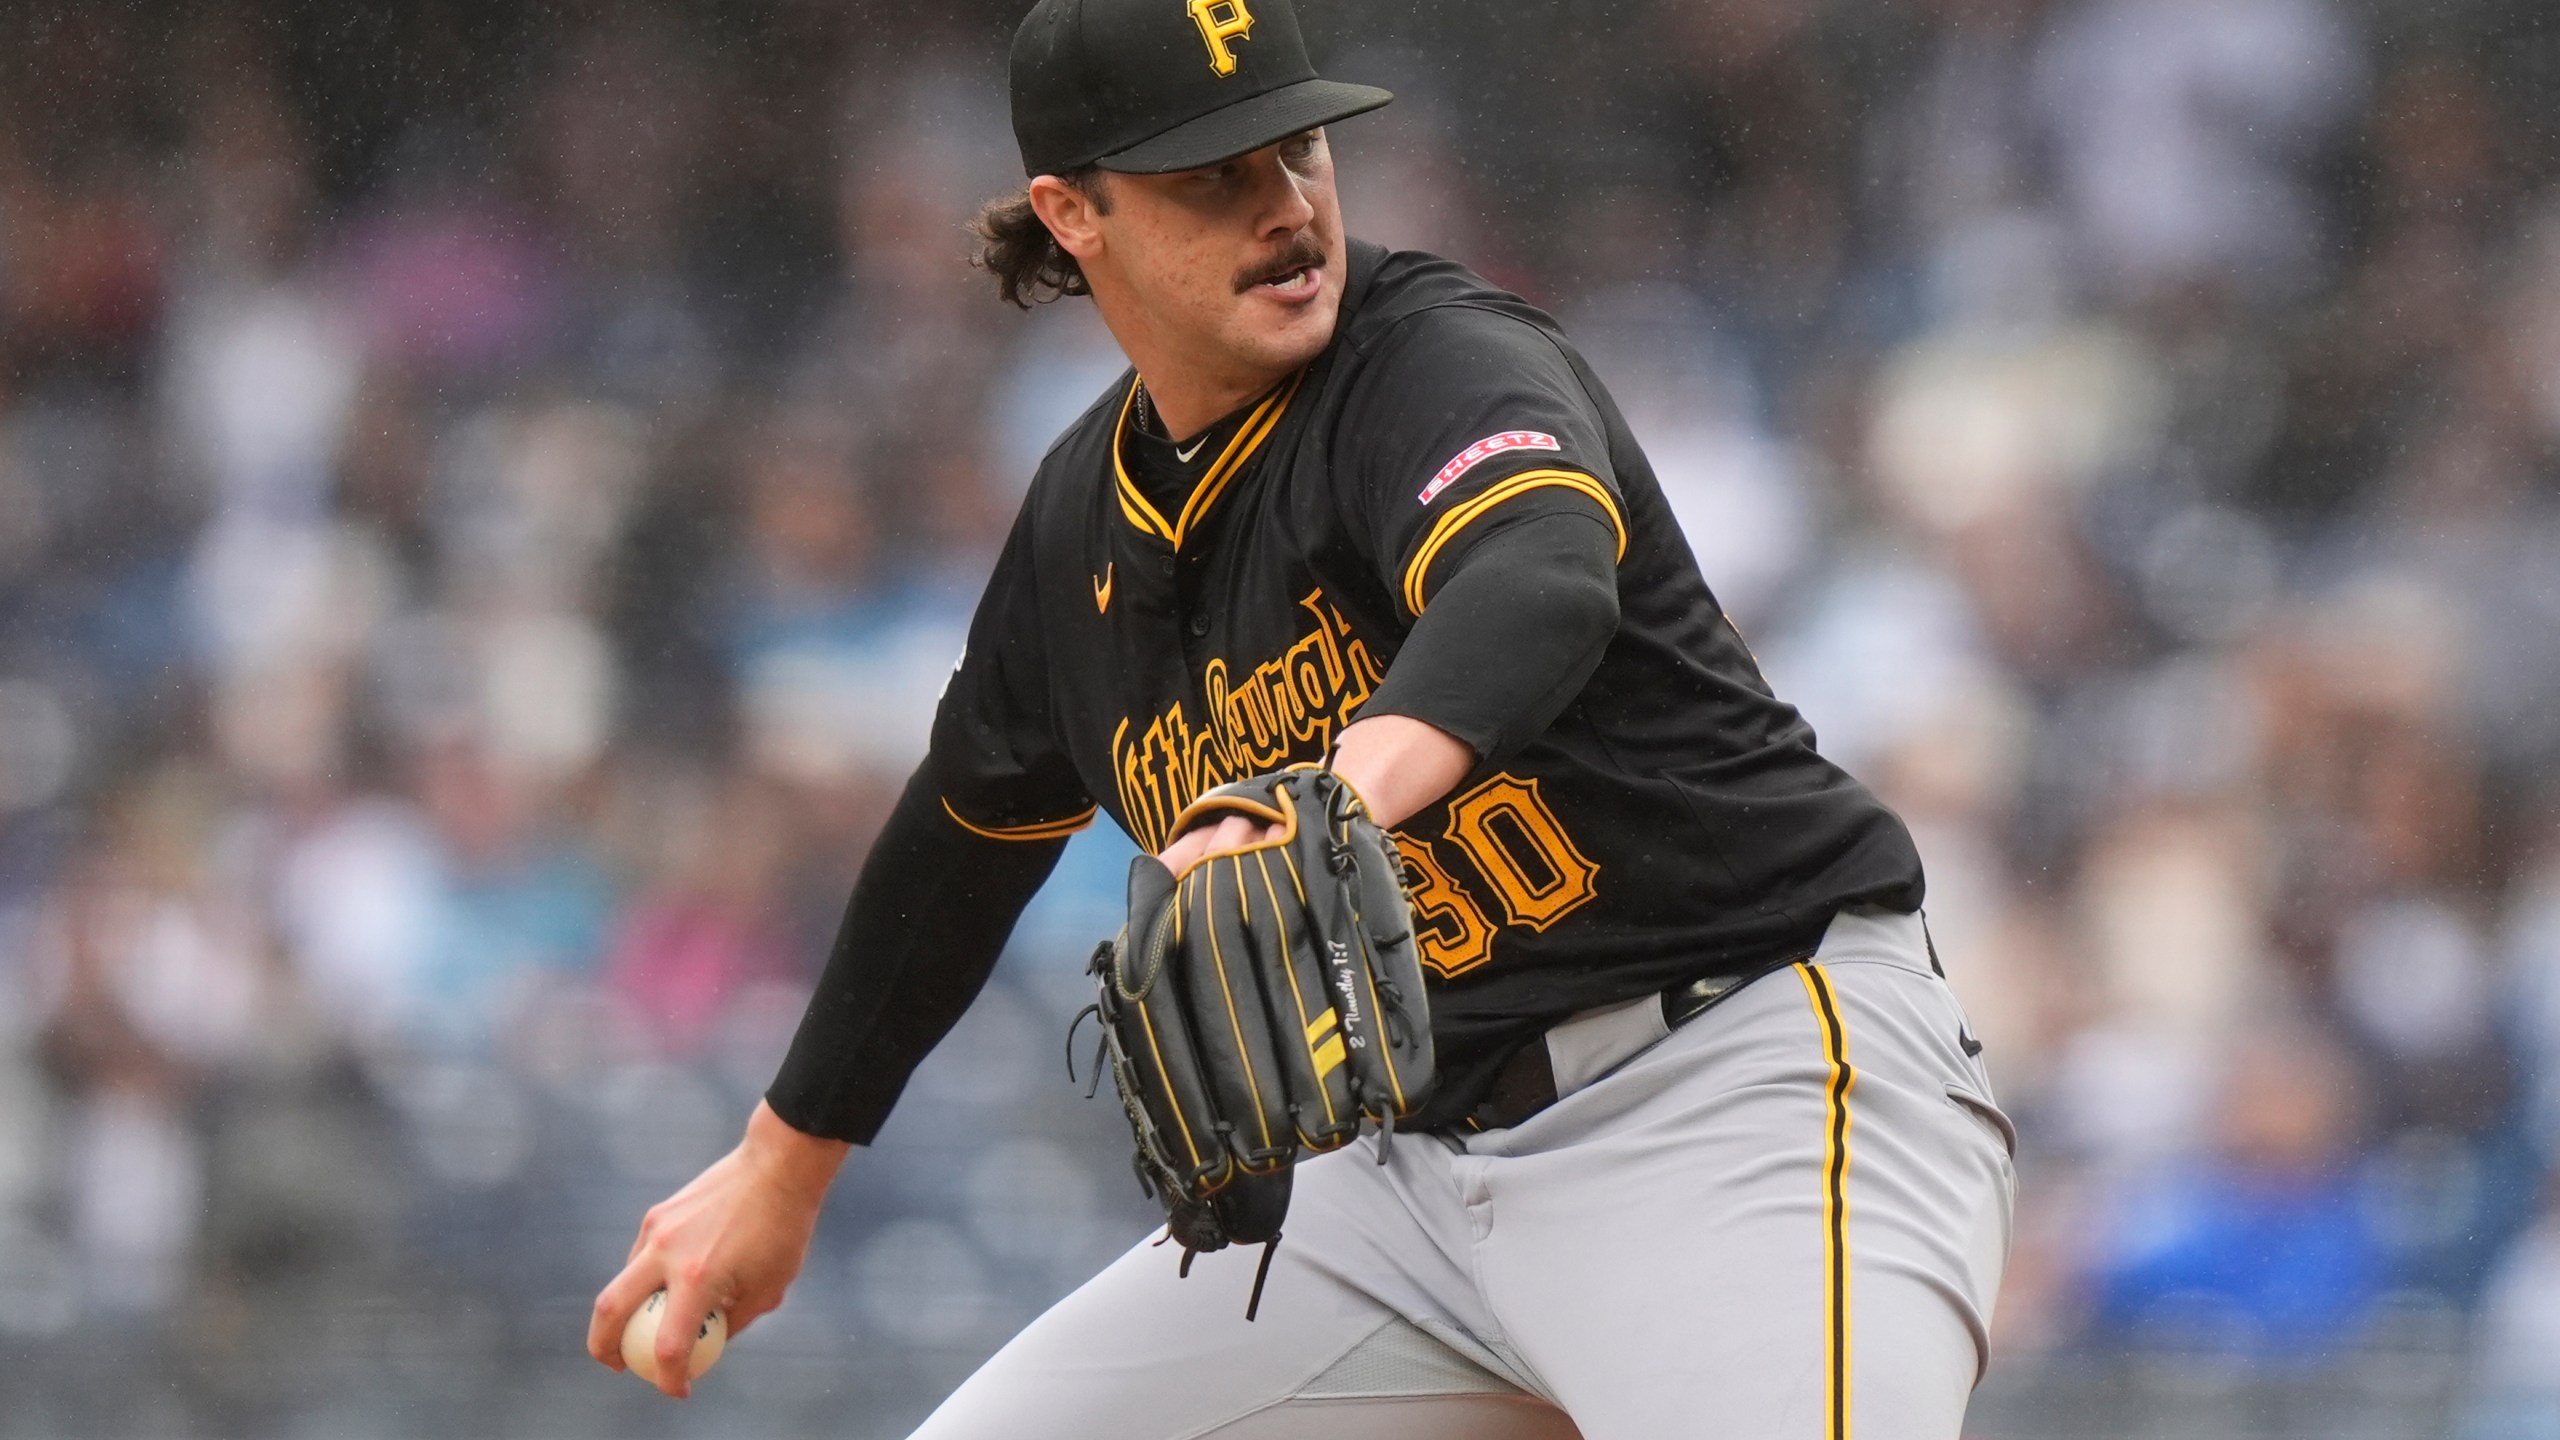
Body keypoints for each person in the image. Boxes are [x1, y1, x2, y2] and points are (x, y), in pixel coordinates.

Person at [589, 1, 2015, 1434]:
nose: (1284, 209)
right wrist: (785, 1166)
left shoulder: (1434, 361)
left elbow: (1538, 578)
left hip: (1737, 1095)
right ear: (1070, 211)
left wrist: (1323, 793)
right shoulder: (1080, 525)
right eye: (1215, 174)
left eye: (1301, 150)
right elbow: (961, 842)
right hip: (1399, 1198)